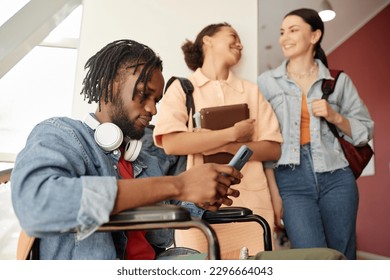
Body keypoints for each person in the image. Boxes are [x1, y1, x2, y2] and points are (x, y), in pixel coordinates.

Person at [10, 39, 242, 260]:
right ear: (108, 86)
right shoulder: (61, 134)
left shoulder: (145, 161)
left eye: (156, 100)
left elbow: (160, 232)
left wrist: (198, 200)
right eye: (143, 94)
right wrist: (180, 185)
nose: (153, 109)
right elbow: (36, 204)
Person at [153, 23, 283, 259]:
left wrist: (217, 143)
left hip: (253, 206)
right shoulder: (183, 89)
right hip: (199, 208)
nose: (240, 44)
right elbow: (172, 143)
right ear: (208, 41)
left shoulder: (251, 91)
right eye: (233, 36)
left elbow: (272, 149)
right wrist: (232, 134)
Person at [257, 8, 374, 259]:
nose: (284, 38)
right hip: (290, 179)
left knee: (342, 255)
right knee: (310, 257)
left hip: (337, 177)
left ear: (314, 36)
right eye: (281, 32)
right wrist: (273, 193)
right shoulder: (266, 82)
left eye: (293, 30)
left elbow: (365, 130)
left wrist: (335, 117)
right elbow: (263, 140)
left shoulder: (338, 81)